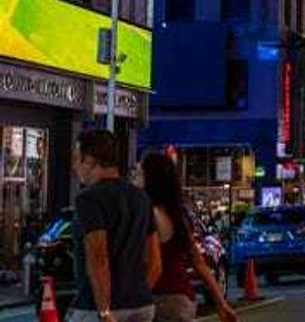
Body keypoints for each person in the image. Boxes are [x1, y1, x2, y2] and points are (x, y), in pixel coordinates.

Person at [68, 130, 162, 322]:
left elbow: (98, 256)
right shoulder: (141, 198)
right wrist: (138, 294)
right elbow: (155, 261)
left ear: (90, 161)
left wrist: (104, 310)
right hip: (141, 304)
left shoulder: (88, 199)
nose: (75, 166)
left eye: (78, 159)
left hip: (97, 306)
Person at [139, 153, 237, 322]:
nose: (135, 178)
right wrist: (221, 303)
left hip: (161, 298)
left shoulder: (149, 213)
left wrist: (136, 298)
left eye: (139, 173)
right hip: (183, 297)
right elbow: (199, 263)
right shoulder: (179, 216)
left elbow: (155, 266)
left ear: (150, 178)